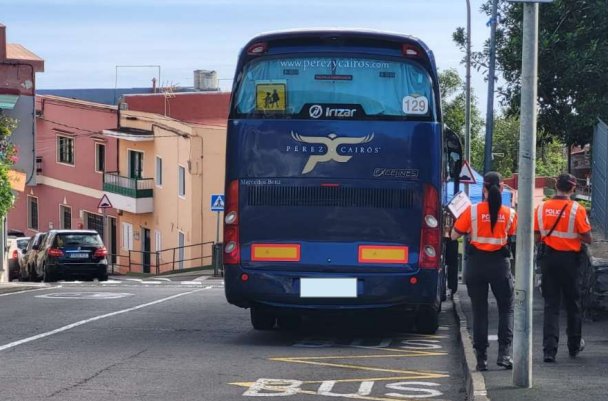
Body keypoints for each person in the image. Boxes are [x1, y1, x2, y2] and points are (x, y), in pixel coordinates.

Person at [451, 171, 517, 371]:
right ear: (502, 188)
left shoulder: (471, 211)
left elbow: (453, 236)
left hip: (476, 266)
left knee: (480, 312)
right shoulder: (510, 213)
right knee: (506, 309)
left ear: (483, 188)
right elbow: (513, 236)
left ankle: (481, 359)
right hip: (499, 265)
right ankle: (504, 355)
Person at [534, 173, 592, 363]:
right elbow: (587, 237)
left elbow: (536, 235)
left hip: (548, 259)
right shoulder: (577, 209)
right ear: (573, 189)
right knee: (573, 303)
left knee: (551, 305)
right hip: (570, 262)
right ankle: (574, 345)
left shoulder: (541, 207)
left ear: (556, 186)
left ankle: (549, 351)